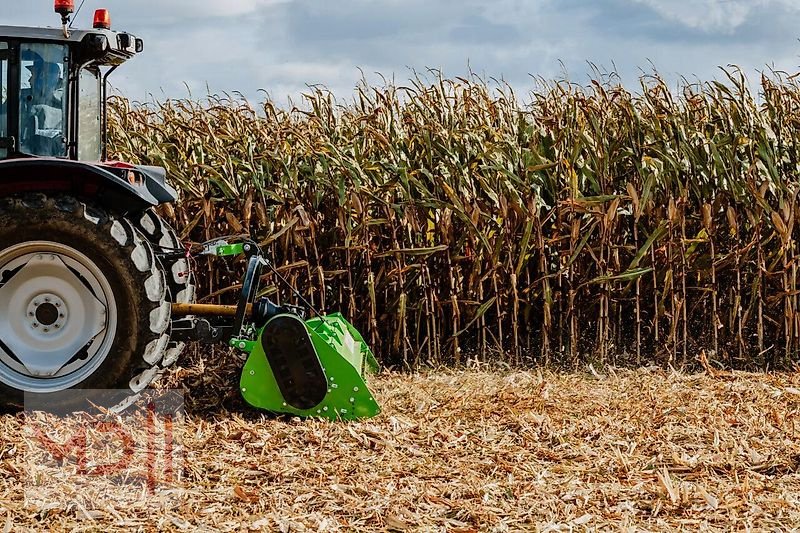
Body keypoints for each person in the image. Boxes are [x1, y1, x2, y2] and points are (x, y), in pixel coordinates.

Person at [20, 60, 64, 156]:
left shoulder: (28, 101)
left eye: (32, 75)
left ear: (42, 76)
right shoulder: (66, 102)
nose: (29, 80)